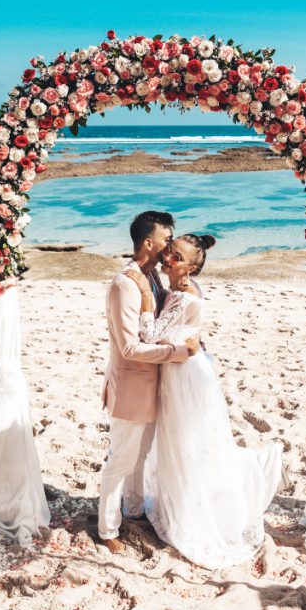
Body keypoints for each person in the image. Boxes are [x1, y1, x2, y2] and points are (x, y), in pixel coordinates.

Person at [126, 234, 283, 569]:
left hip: (186, 377)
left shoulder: (184, 296)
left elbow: (150, 335)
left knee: (188, 444)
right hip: (184, 369)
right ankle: (184, 502)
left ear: (192, 267)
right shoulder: (180, 289)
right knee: (182, 443)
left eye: (178, 258)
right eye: (169, 252)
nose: (169, 259)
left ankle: (197, 507)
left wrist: (143, 299)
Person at [98, 212, 200, 553]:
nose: (169, 244)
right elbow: (129, 347)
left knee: (140, 456)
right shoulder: (125, 284)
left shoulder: (153, 277)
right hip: (132, 386)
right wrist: (177, 353)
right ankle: (108, 529)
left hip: (155, 384)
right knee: (121, 460)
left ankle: (134, 509)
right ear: (148, 242)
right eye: (166, 238)